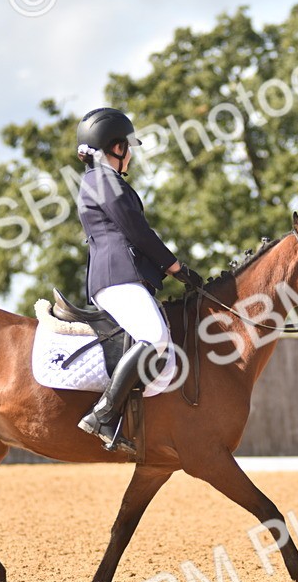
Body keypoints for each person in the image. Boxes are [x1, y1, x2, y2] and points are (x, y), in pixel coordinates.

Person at [73, 107, 202, 452]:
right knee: (155, 336)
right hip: (116, 275)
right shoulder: (103, 180)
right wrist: (175, 267)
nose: (131, 154)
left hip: (121, 275)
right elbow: (136, 230)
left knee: (161, 346)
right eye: (128, 146)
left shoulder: (102, 180)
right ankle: (103, 413)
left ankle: (123, 418)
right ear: (115, 147)